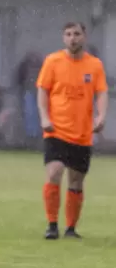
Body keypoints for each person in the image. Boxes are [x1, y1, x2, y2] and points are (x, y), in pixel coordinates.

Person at [37, 21, 108, 240]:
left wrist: (101, 116)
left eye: (76, 34)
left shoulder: (94, 65)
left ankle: (70, 228)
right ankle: (51, 225)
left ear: (84, 37)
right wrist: (44, 117)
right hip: (56, 131)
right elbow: (42, 91)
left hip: (82, 133)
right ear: (63, 37)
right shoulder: (53, 61)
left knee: (76, 181)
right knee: (55, 172)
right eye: (68, 34)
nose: (72, 38)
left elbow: (102, 93)